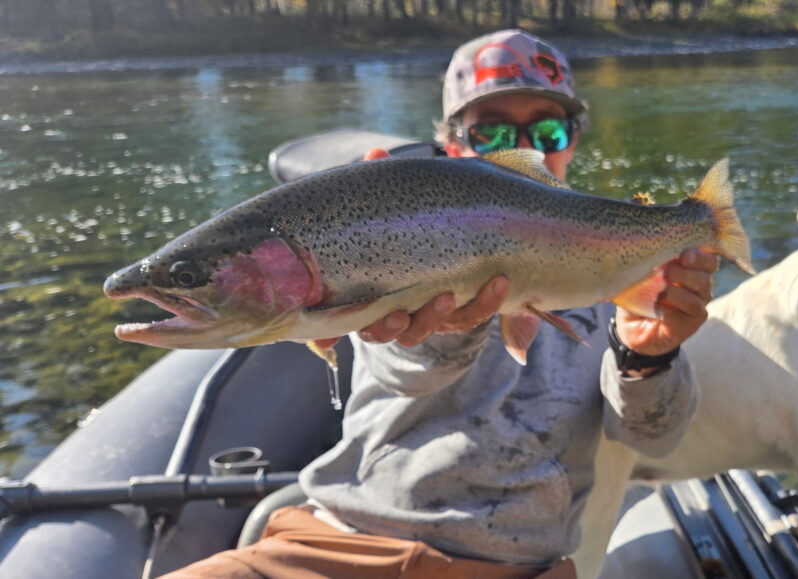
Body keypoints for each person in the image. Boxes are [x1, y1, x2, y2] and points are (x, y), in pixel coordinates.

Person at [164, 29, 717, 579]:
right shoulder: (395, 235)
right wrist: (447, 327)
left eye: (548, 131)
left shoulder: (612, 280)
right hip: (339, 541)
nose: (526, 149)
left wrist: (647, 356)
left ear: (572, 140)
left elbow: (654, 438)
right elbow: (407, 374)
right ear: (452, 143)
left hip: (513, 567)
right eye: (492, 131)